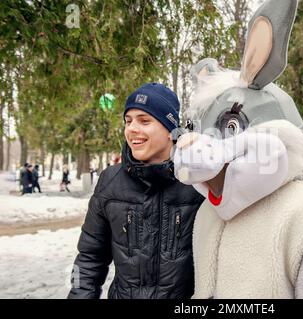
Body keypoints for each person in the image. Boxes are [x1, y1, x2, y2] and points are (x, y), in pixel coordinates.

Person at [67, 83, 204, 299]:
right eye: (128, 121)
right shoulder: (110, 181)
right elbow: (89, 258)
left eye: (144, 120)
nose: (131, 129)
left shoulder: (198, 181)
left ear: (171, 131)